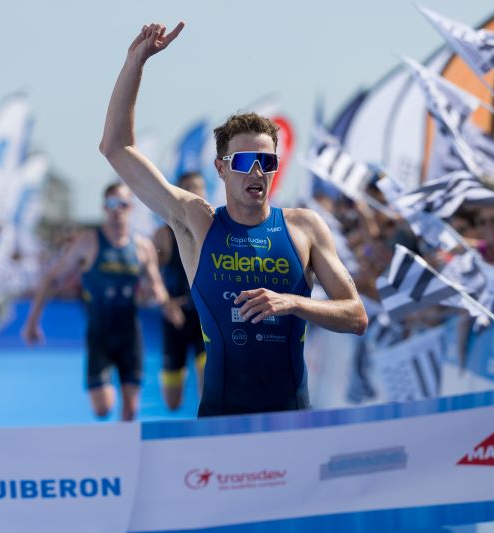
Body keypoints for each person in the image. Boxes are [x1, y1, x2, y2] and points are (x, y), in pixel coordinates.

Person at [99, 22, 368, 417]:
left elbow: (356, 316)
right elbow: (116, 147)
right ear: (221, 169)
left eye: (266, 161)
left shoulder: (304, 227)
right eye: (243, 162)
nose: (256, 172)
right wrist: (134, 64)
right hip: (221, 420)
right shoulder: (198, 222)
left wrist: (292, 303)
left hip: (290, 417)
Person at [22, 182, 173, 421]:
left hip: (130, 337)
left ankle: (124, 445)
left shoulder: (143, 247)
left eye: (122, 204)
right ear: (104, 207)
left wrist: (161, 300)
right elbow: (51, 278)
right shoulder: (88, 242)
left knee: (131, 409)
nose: (117, 209)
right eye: (111, 203)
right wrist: (32, 321)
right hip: (100, 337)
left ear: (131, 207)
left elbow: (157, 287)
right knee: (103, 408)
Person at [152, 171, 208, 410]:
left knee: (208, 386)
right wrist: (165, 302)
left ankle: (206, 428)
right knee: (172, 402)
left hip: (205, 317)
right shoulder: (164, 234)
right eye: (187, 188)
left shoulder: (214, 230)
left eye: (198, 188)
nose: (193, 193)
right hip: (175, 318)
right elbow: (150, 275)